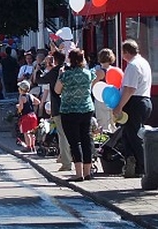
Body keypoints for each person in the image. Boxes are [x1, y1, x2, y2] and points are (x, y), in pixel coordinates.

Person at [114, 39, 153, 178]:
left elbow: (130, 89)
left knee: (133, 135)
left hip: (135, 101)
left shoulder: (132, 66)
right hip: (145, 100)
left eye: (123, 52)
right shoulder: (144, 62)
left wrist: (119, 106)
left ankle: (143, 166)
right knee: (128, 134)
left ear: (126, 52)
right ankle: (132, 163)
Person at [55, 48, 95, 182]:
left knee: (74, 141)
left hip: (69, 110)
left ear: (70, 60)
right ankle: (87, 171)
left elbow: (57, 90)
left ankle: (78, 173)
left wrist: (60, 75)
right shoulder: (88, 74)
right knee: (86, 139)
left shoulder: (66, 75)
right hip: (86, 109)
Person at [38, 50, 72, 172]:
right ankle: (64, 156)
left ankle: (66, 162)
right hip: (72, 106)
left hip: (58, 106)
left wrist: (40, 66)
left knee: (62, 134)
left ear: (55, 60)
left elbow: (39, 80)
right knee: (70, 133)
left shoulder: (55, 71)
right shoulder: (69, 69)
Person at [92, 48, 117, 132]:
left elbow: (92, 85)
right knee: (112, 123)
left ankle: (103, 142)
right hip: (113, 99)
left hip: (101, 99)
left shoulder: (99, 72)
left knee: (102, 123)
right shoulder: (115, 70)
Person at [16, 79, 41, 152]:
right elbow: (38, 102)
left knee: (26, 132)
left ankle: (28, 146)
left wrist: (18, 108)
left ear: (21, 89)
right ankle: (33, 146)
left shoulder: (21, 97)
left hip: (26, 116)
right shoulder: (30, 95)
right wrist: (32, 104)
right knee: (32, 132)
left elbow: (21, 107)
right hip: (33, 115)